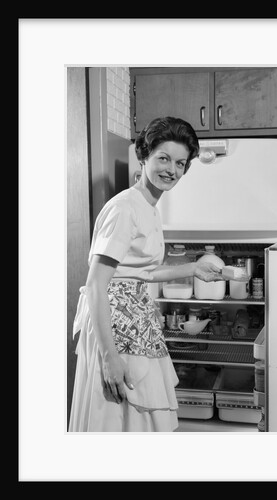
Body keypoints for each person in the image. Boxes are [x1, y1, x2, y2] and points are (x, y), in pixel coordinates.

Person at [69, 117, 223, 432]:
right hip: (114, 325)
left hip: (135, 319)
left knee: (138, 420)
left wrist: (193, 268)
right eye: (163, 158)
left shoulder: (149, 206)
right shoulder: (125, 209)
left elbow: (143, 273)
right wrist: (109, 357)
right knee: (118, 418)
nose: (172, 169)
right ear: (144, 157)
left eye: (180, 163)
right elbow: (96, 286)